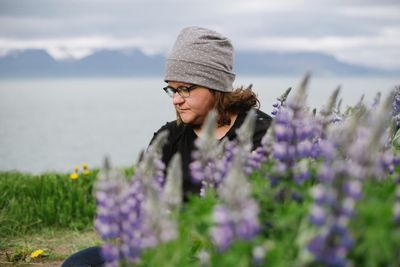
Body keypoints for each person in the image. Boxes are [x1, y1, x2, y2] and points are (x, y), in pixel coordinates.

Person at [61, 26, 272, 267]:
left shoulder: (262, 134)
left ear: (216, 86)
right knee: (78, 263)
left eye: (186, 89)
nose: (176, 99)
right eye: (172, 89)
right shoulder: (168, 136)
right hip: (167, 251)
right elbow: (141, 200)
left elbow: (267, 212)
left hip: (231, 254)